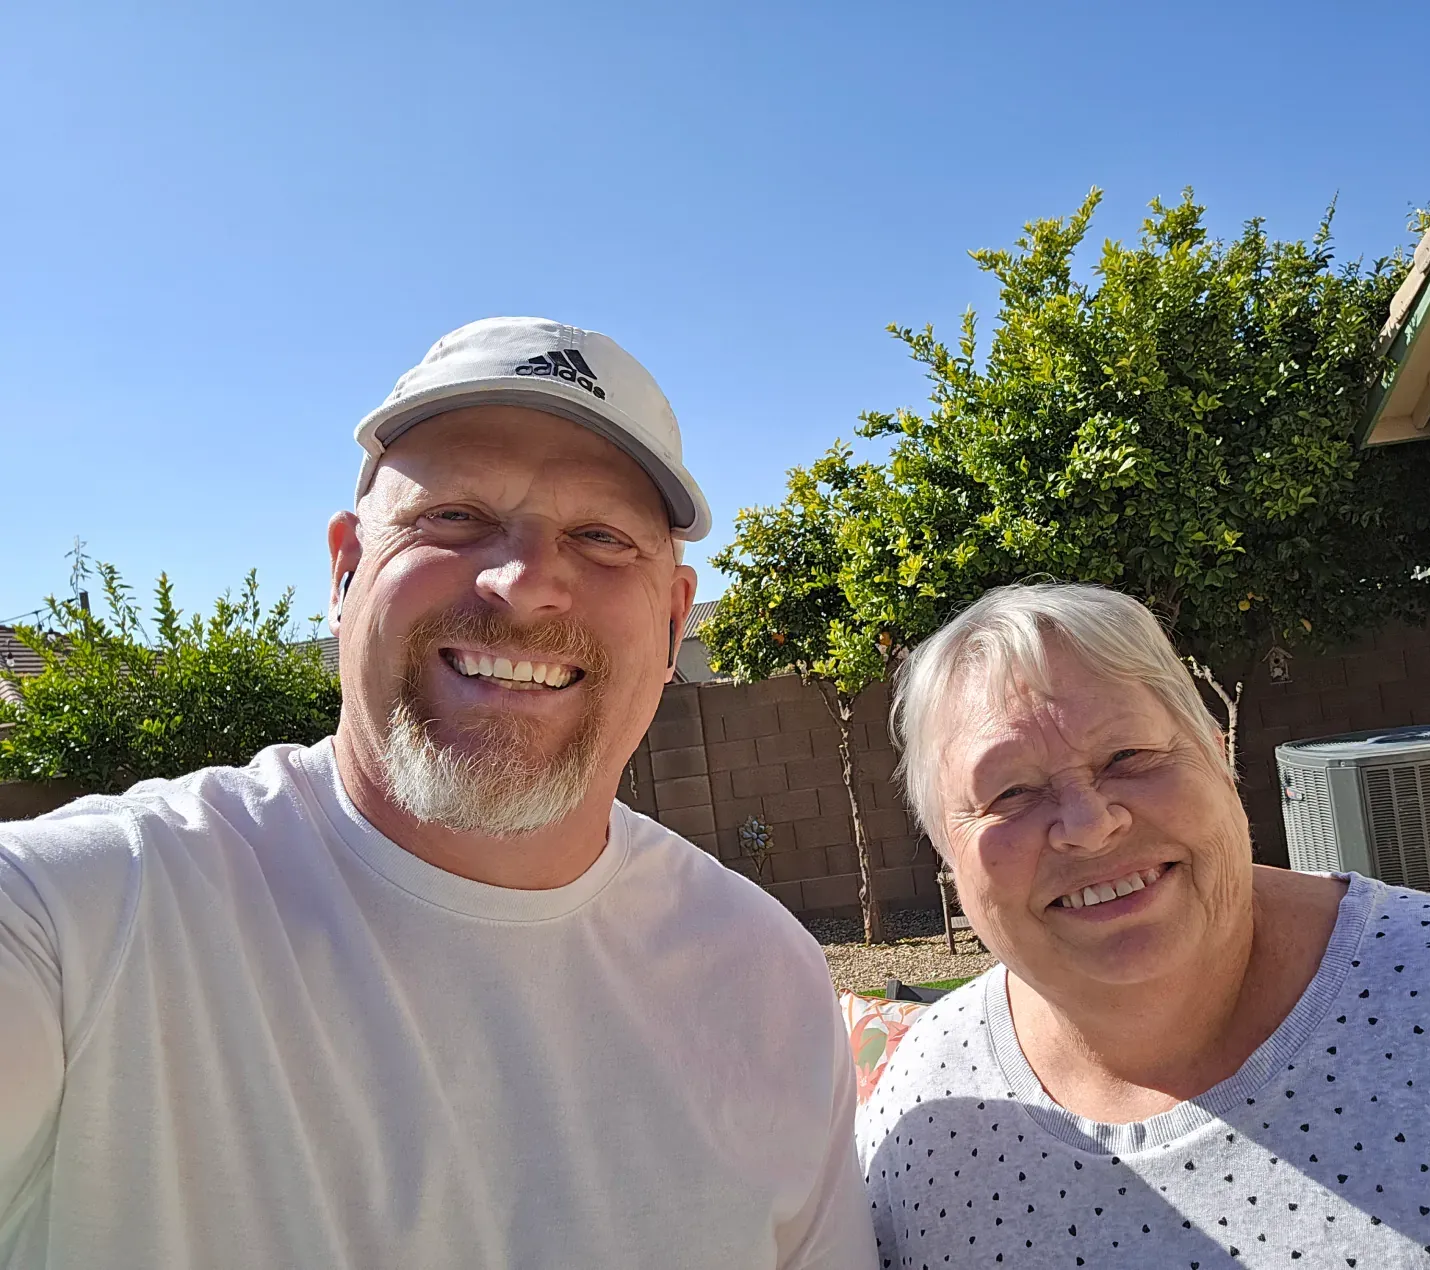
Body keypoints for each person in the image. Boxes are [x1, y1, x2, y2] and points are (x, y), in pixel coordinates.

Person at [0, 317, 876, 1269]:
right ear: (344, 572)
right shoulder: (80, 920)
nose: (524, 582)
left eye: (600, 536)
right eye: (453, 517)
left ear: (674, 622)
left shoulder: (767, 981)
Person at [858, 582, 1430, 1268]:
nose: (1088, 822)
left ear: (1219, 756)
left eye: (1128, 758)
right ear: (944, 848)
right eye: (1009, 794)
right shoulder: (928, 1107)